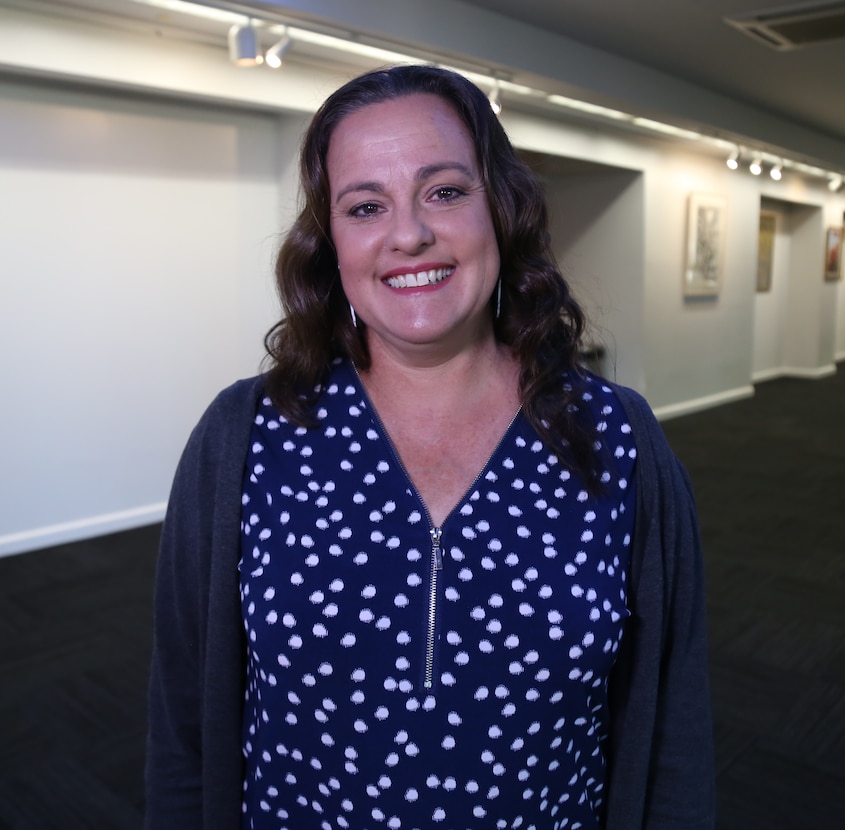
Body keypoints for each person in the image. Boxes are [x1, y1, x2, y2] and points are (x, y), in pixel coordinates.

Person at [145, 65, 714, 830]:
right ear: (331, 240)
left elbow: (671, 728)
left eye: (445, 192)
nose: (408, 233)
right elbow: (184, 723)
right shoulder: (247, 437)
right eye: (365, 205)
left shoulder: (617, 440)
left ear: (501, 211)